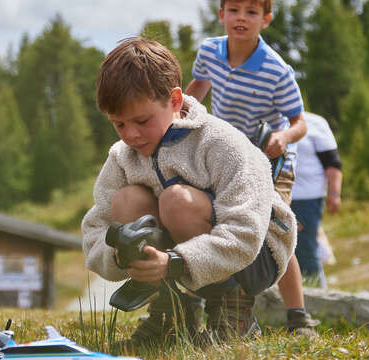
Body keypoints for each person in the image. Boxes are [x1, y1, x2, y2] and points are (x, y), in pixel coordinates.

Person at [82, 37, 296, 349]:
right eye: (119, 124)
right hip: (185, 255)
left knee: (176, 202)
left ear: (175, 100)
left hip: (257, 253)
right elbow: (94, 230)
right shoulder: (121, 157)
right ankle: (170, 315)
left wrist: (173, 263)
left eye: (142, 121)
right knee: (126, 202)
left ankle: (232, 311)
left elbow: (246, 233)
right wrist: (120, 254)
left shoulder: (223, 144)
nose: (130, 135)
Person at [184, 0, 319, 335]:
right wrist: (179, 118)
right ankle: (203, 305)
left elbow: (300, 122)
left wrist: (283, 136)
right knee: (214, 223)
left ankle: (298, 316)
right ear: (221, 15)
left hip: (272, 160)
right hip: (225, 158)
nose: (241, 18)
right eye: (234, 10)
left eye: (251, 12)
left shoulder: (277, 70)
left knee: (275, 234)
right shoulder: (210, 51)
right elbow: (197, 89)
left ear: (266, 20)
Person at [290, 112, 342, 289]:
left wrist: (334, 195)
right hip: (275, 196)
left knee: (304, 249)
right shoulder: (268, 119)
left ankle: (317, 297)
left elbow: (333, 163)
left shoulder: (315, 122)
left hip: (306, 198)